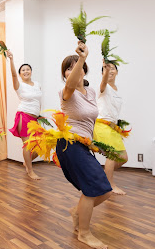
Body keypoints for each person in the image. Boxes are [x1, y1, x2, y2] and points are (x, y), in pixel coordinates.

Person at [57, 41, 112, 249]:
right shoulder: (66, 93)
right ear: (65, 75)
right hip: (69, 145)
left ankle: (77, 212)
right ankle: (84, 233)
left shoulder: (90, 93)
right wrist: (81, 57)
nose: (73, 71)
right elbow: (71, 85)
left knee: (104, 190)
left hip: (83, 146)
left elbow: (90, 121)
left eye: (76, 67)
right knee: (92, 189)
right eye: (68, 68)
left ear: (84, 72)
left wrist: (95, 143)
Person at [93, 62, 128, 195]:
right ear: (103, 73)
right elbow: (103, 83)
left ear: (117, 72)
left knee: (123, 158)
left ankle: (103, 177)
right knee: (113, 155)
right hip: (102, 125)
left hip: (112, 127)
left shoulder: (116, 89)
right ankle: (110, 185)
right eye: (107, 69)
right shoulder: (104, 87)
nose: (110, 71)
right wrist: (106, 70)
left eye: (113, 68)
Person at [7, 51, 42, 179]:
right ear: (20, 74)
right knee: (28, 144)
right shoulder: (19, 85)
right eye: (23, 70)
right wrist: (11, 59)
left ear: (31, 71)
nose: (26, 71)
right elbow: (13, 75)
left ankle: (26, 162)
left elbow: (39, 101)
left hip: (35, 118)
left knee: (40, 146)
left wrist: (39, 114)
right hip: (23, 116)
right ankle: (30, 170)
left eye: (28, 69)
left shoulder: (37, 84)